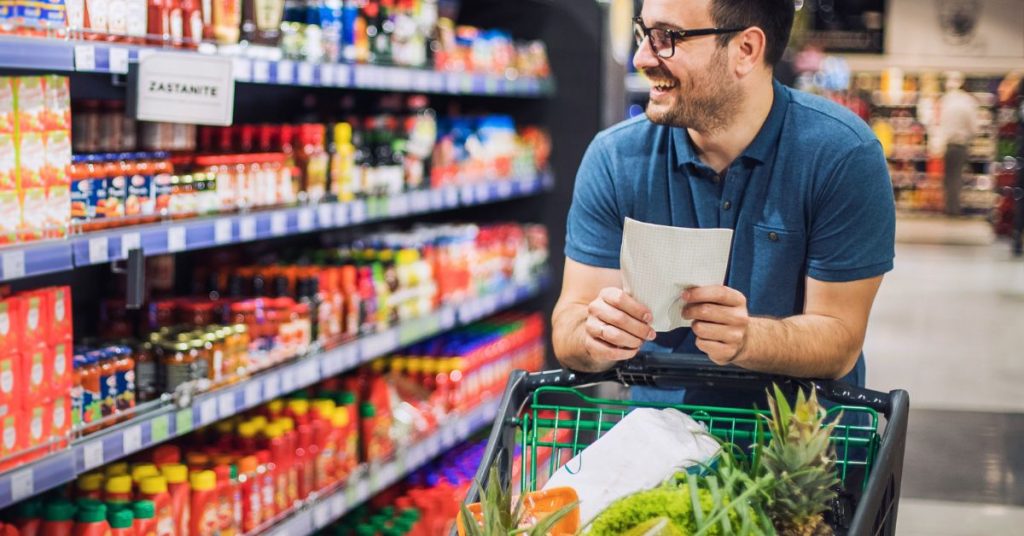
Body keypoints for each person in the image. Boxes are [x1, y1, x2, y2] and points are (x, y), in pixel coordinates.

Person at [551, 0, 896, 403]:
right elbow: (569, 322)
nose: (642, 57)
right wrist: (593, 337)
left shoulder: (841, 155)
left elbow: (840, 339)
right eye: (643, 33)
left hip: (804, 450)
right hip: (658, 448)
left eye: (668, 38)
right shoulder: (615, 158)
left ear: (745, 50)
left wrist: (749, 338)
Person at [938, 71, 979, 217]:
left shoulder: (946, 100)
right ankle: (954, 209)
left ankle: (950, 207)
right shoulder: (968, 101)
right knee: (957, 177)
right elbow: (974, 127)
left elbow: (940, 124)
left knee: (949, 178)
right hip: (961, 144)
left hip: (949, 145)